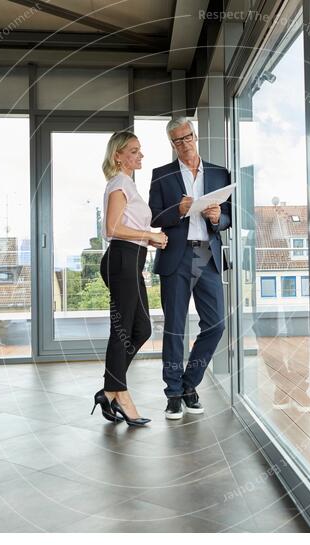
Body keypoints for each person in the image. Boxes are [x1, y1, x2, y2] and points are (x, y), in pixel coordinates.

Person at [149, 117, 232, 420]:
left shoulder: (220, 173)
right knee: (174, 327)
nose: (183, 144)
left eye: (187, 137)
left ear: (195, 136)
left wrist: (216, 218)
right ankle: (172, 394)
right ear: (171, 144)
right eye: (176, 141)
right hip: (177, 256)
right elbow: (155, 219)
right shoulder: (161, 176)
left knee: (215, 325)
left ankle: (189, 384)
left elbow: (228, 218)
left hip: (207, 256)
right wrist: (179, 210)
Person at [92, 131, 168, 427]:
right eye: (134, 151)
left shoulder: (127, 185)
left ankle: (110, 390)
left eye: (140, 151)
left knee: (143, 328)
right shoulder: (120, 184)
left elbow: (127, 226)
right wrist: (149, 235)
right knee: (123, 328)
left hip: (131, 259)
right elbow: (111, 229)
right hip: (121, 260)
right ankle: (120, 394)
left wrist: (149, 240)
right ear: (118, 156)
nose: (140, 156)